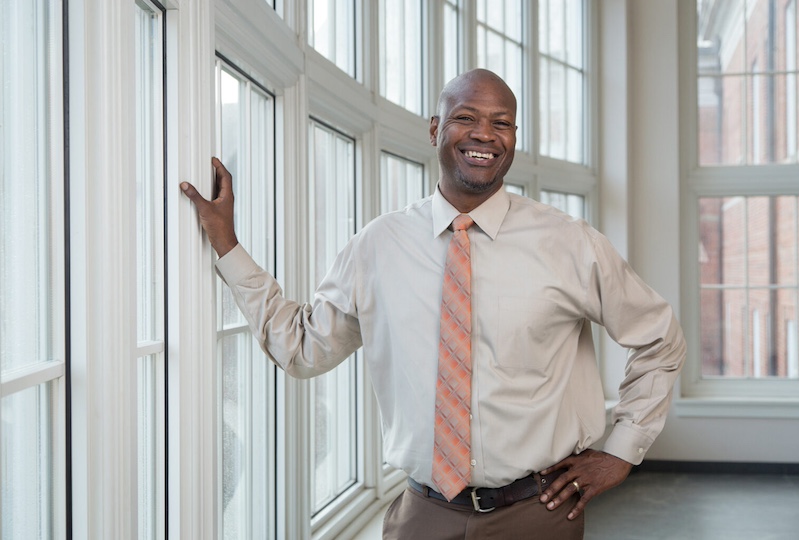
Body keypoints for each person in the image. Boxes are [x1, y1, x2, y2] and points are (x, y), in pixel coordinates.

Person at [181, 68, 686, 540]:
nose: (484, 134)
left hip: (538, 514)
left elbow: (660, 339)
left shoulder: (570, 243)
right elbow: (302, 348)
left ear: (514, 138)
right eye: (466, 117)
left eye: (501, 123)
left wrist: (621, 452)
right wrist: (227, 244)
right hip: (423, 515)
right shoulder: (378, 246)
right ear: (434, 129)